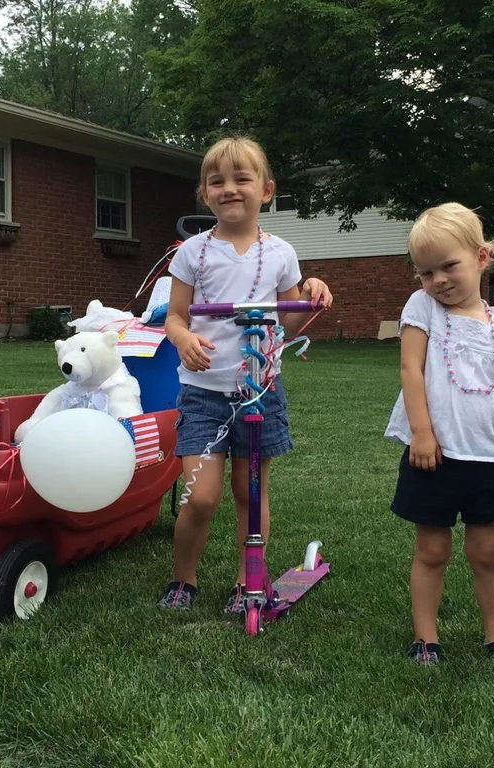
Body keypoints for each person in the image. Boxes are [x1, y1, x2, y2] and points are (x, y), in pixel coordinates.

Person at [157, 136, 333, 613]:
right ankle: (183, 578)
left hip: (260, 391)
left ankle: (246, 582)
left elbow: (288, 322)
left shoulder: (280, 253)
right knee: (200, 497)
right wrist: (183, 338)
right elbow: (176, 316)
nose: (229, 188)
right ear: (205, 193)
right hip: (203, 394)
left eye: (241, 179)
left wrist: (310, 293)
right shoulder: (192, 252)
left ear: (266, 190)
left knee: (249, 493)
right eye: (217, 181)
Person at [384, 203, 494, 668]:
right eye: (426, 272)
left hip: (488, 458)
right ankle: (426, 639)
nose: (438, 280)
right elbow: (410, 369)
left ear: (482, 257)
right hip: (433, 455)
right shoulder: (422, 307)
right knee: (431, 550)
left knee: (487, 552)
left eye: (449, 266)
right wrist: (422, 433)